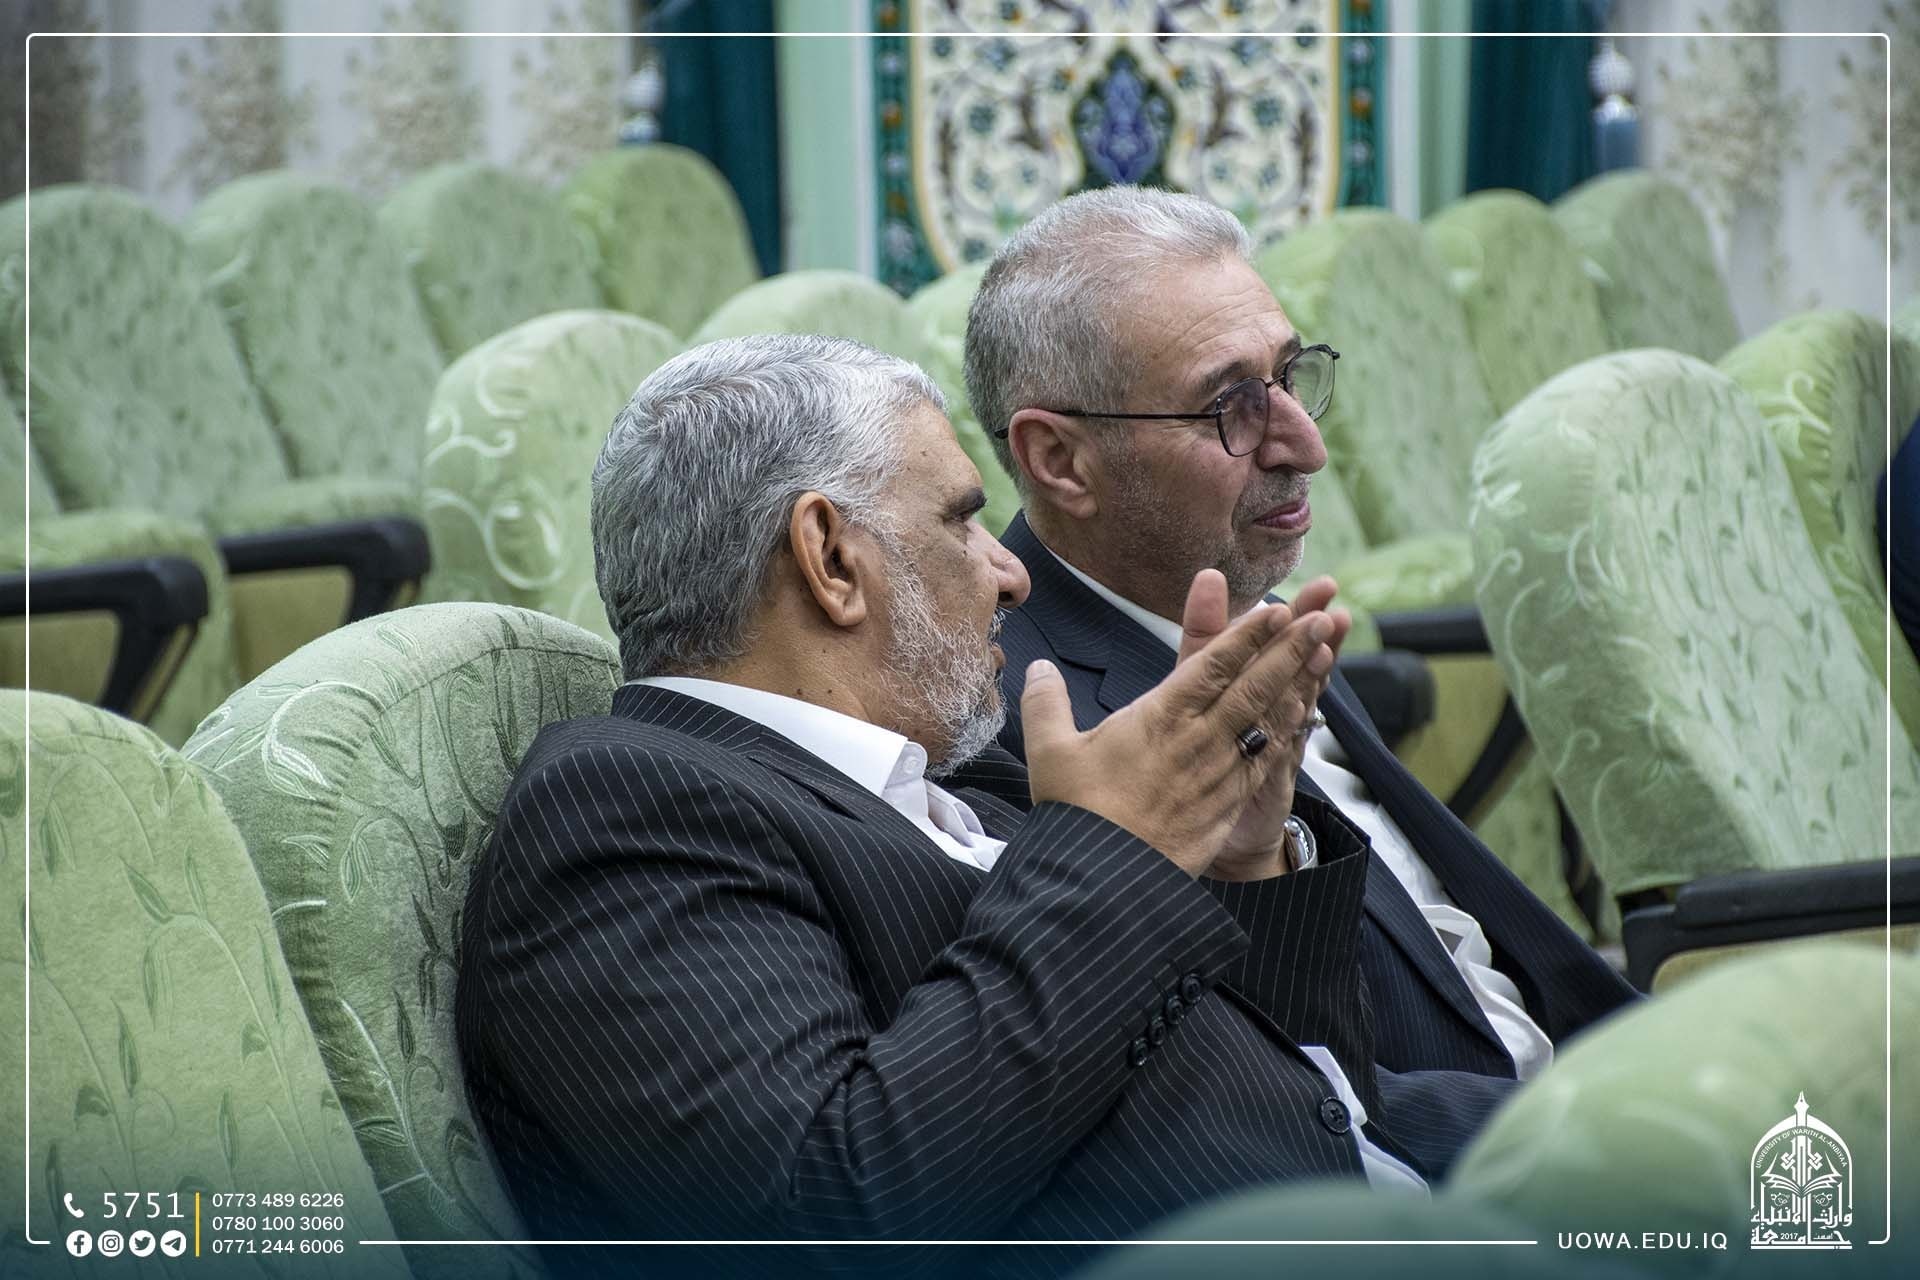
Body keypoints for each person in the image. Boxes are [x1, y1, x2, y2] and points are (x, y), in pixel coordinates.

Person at [458, 335, 1444, 1274]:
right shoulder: (626, 809)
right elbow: (825, 1219)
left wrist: (1243, 863)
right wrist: (1111, 852)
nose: (1011, 572)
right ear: (830, 559)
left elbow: (1314, 1090)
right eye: (963, 521)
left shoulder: (966, 782)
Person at [965, 187, 1636, 1112]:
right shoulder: (1021, 729)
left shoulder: (1258, 610)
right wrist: (1584, 1128)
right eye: (1231, 407)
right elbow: (1279, 1106)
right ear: (1060, 461)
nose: (1306, 445)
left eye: (1290, 376)